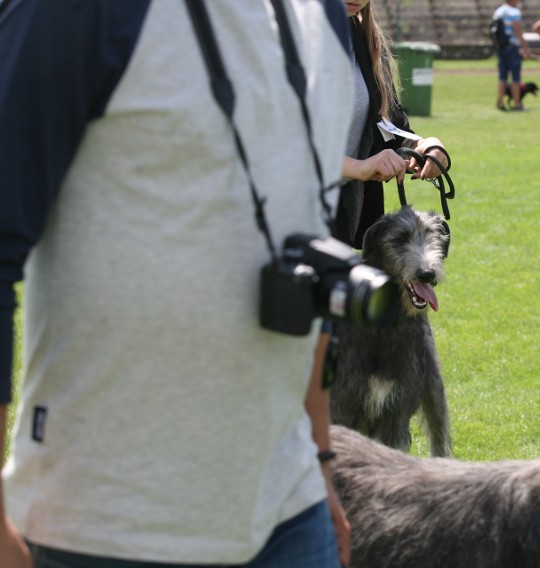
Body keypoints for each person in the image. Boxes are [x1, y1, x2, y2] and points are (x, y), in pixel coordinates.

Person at [0, 2, 355, 567]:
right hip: (100, 530)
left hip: (288, 511)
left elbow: (306, 261)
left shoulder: (325, 18)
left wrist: (320, 461)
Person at [336, 0, 448, 248]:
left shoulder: (362, 37)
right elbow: (274, 143)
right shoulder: (279, 38)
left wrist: (423, 145)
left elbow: (387, 125)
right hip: (280, 215)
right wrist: (356, 167)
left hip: (340, 215)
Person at [494, 0, 533, 111]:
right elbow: (517, 30)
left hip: (501, 47)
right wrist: (525, 47)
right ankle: (517, 104)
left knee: (502, 77)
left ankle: (500, 103)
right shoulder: (514, 12)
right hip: (512, 47)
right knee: (515, 77)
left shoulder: (498, 11)